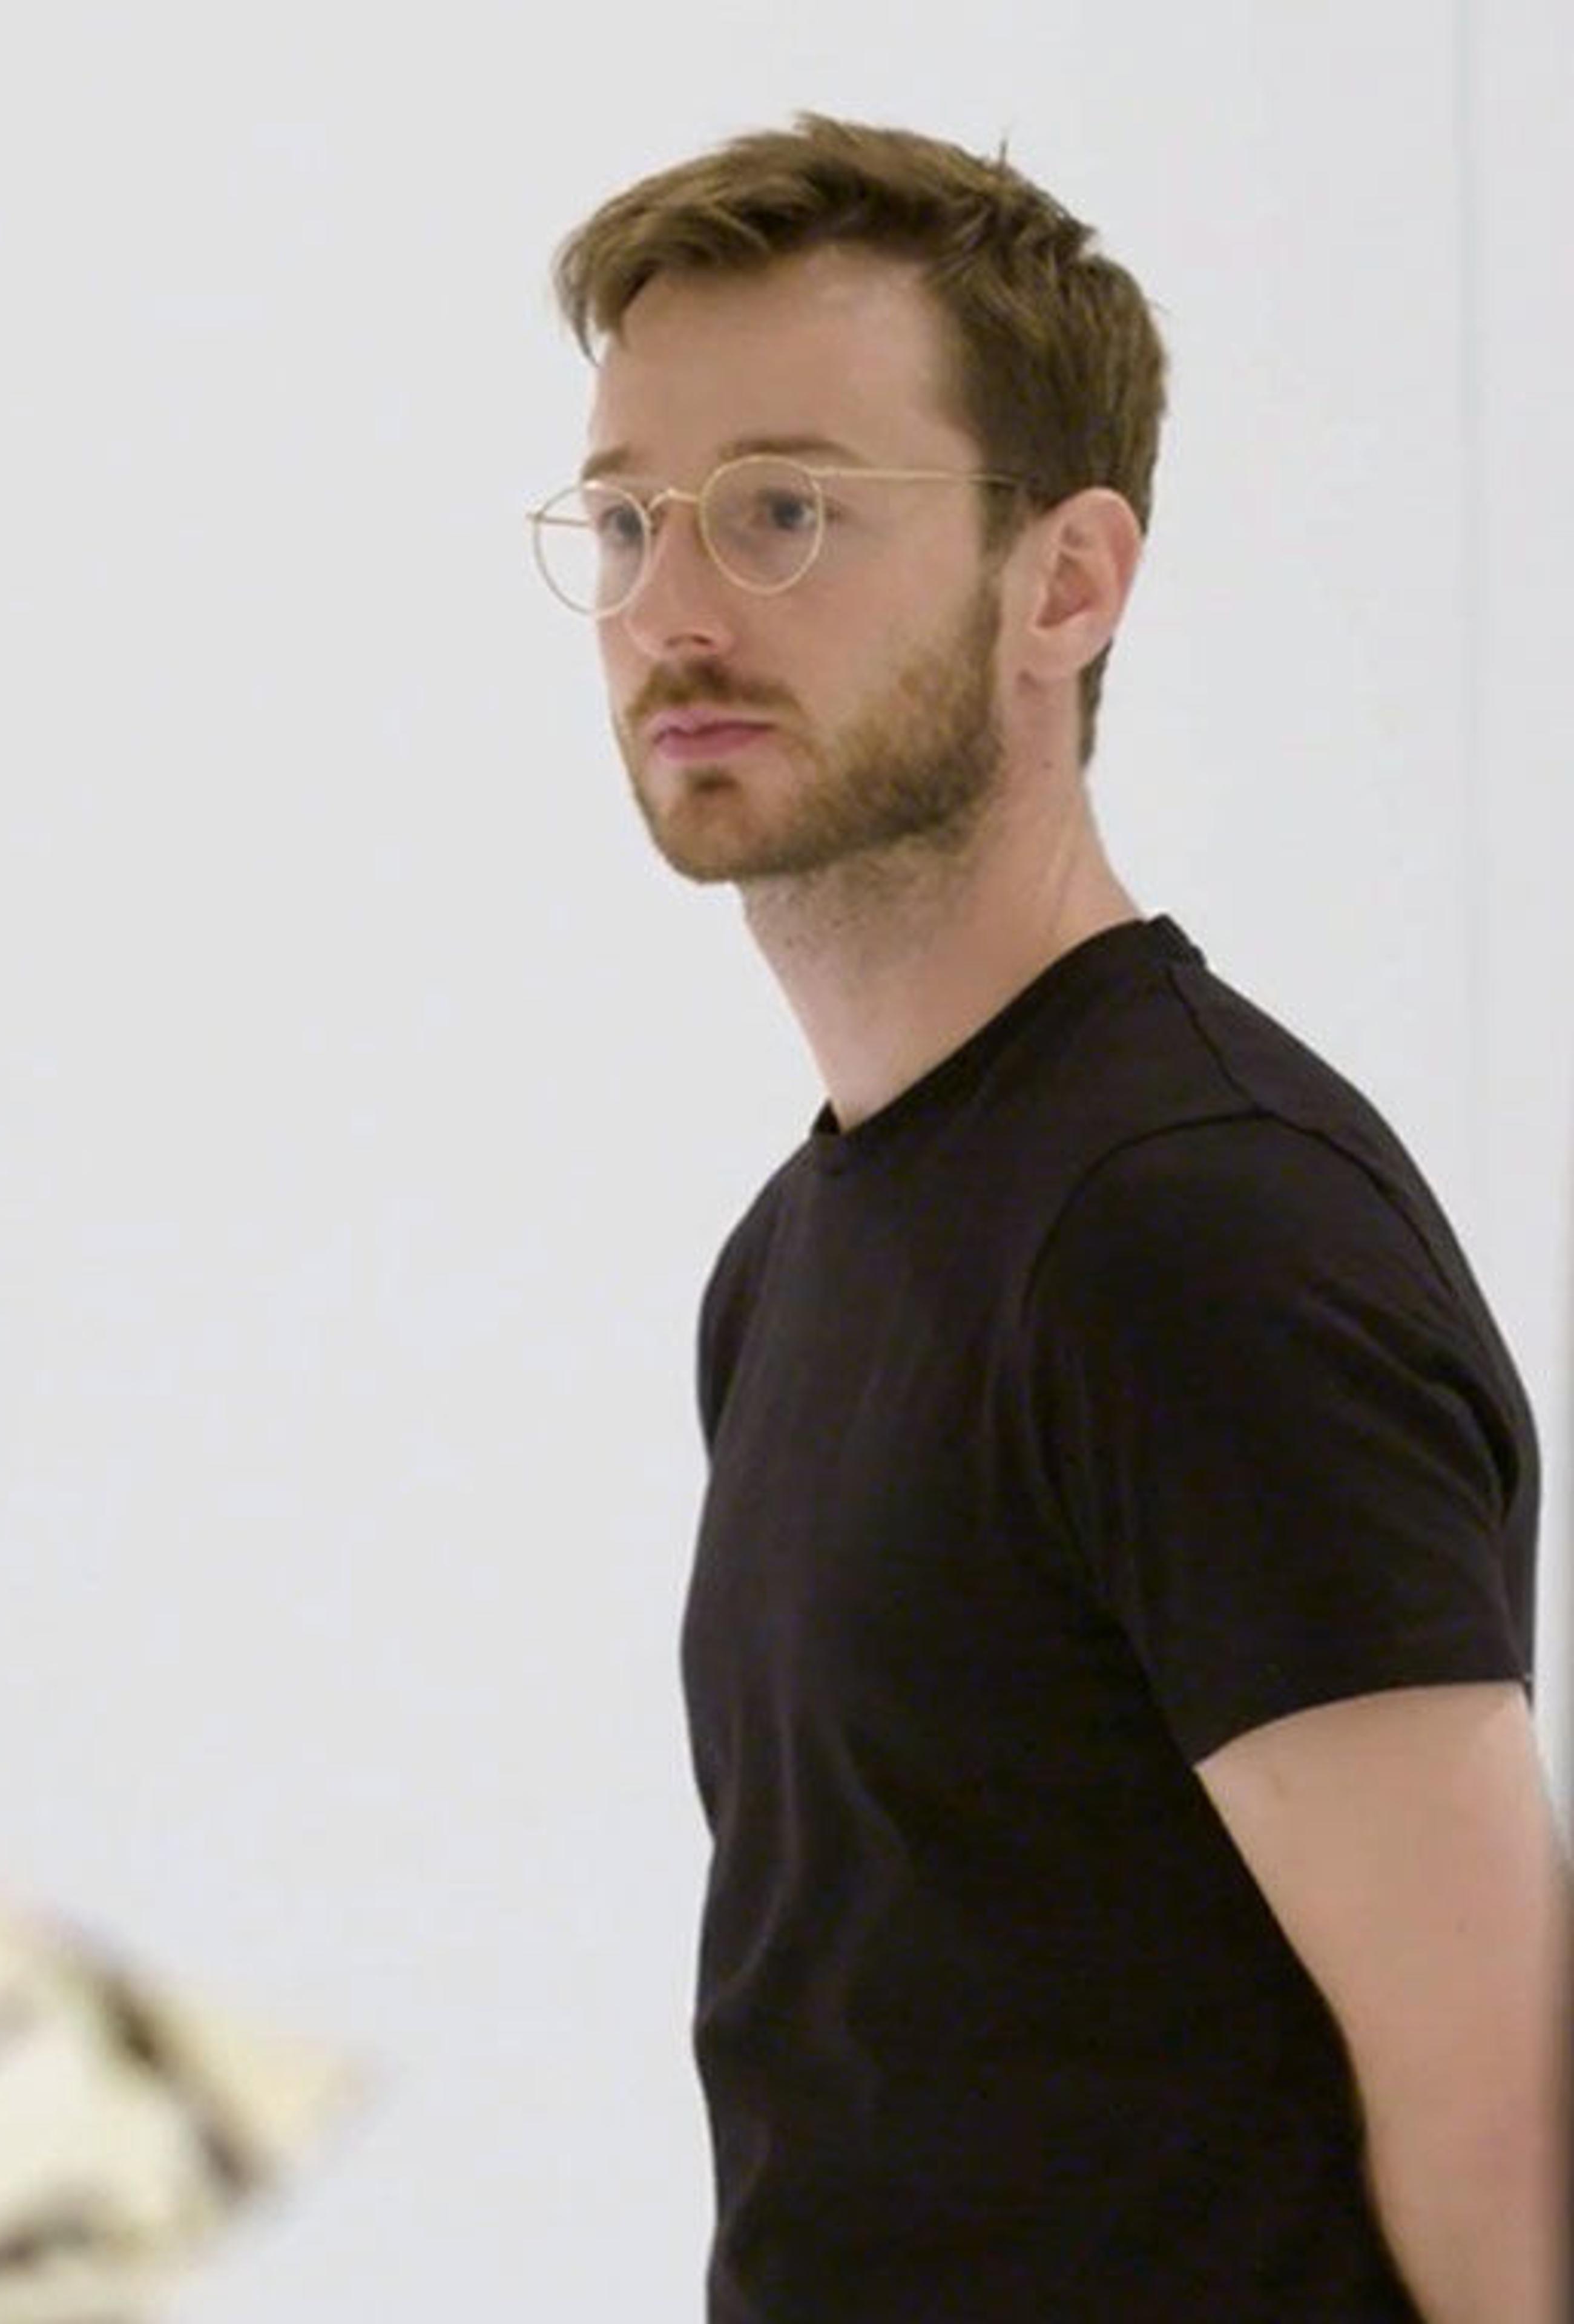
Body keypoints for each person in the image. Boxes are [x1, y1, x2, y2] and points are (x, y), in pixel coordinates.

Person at [535, 115, 1570, 2323]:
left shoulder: (1199, 1240)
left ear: (1068, 581)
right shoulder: (801, 1256)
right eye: (627, 521)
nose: (678, 605)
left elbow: (1515, 2147)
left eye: (788, 510)